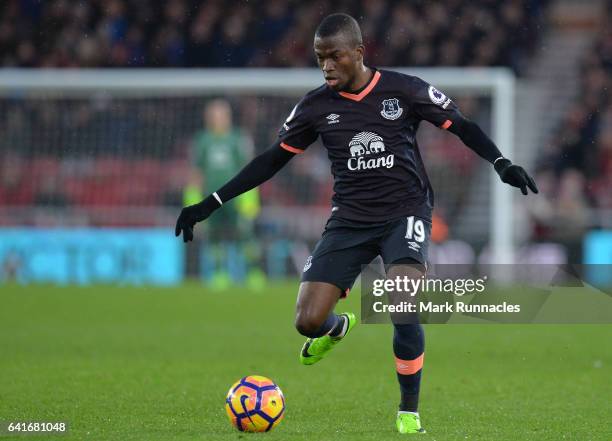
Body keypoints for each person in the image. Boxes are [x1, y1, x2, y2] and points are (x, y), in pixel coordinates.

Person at [175, 13, 538, 434]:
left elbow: (462, 125)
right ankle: (335, 329)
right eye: (319, 58)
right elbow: (271, 160)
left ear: (359, 53)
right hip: (349, 220)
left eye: (335, 57)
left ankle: (408, 411)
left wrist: (500, 162)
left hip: (405, 213)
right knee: (306, 321)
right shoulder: (314, 107)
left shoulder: (404, 90)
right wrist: (211, 202)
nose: (327, 66)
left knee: (402, 304)